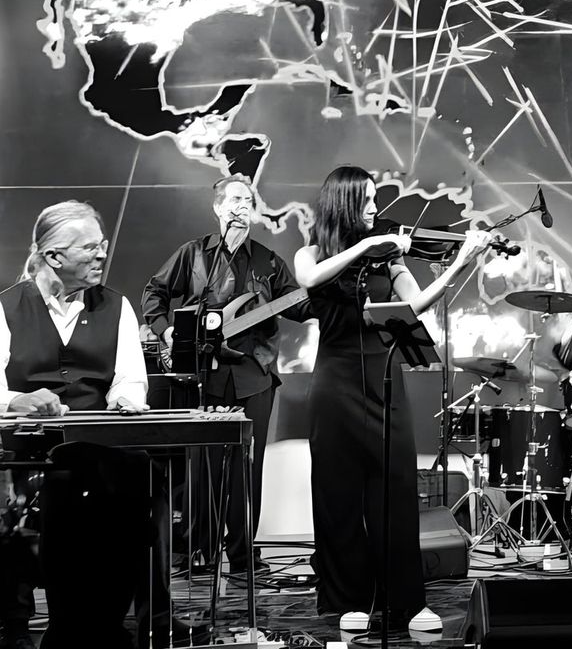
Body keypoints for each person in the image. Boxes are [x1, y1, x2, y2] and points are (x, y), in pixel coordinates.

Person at [293, 166, 490, 632]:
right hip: (335, 385)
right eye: (365, 200)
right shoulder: (312, 253)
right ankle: (348, 599)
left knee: (396, 492)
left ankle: (406, 602)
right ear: (343, 203)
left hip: (384, 381)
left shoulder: (390, 260)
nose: (374, 208)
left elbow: (415, 305)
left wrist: (461, 262)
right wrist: (366, 247)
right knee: (337, 495)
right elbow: (311, 279)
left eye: (374, 199)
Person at [142, 175, 312, 572]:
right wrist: (166, 332)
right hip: (206, 375)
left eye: (248, 200)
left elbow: (299, 306)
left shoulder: (268, 261)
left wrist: (325, 294)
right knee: (203, 467)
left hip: (255, 375)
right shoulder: (194, 254)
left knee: (247, 468)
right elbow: (154, 292)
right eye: (234, 199)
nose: (242, 206)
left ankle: (242, 555)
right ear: (218, 207)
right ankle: (198, 551)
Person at [0, 201, 151, 649]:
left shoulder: (117, 306)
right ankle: (19, 623)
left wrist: (125, 400)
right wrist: (19, 400)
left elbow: (130, 378)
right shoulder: (7, 307)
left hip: (95, 445)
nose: (102, 254)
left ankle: (119, 620)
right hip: (26, 448)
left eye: (102, 245)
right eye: (90, 248)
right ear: (53, 257)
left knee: (139, 474)